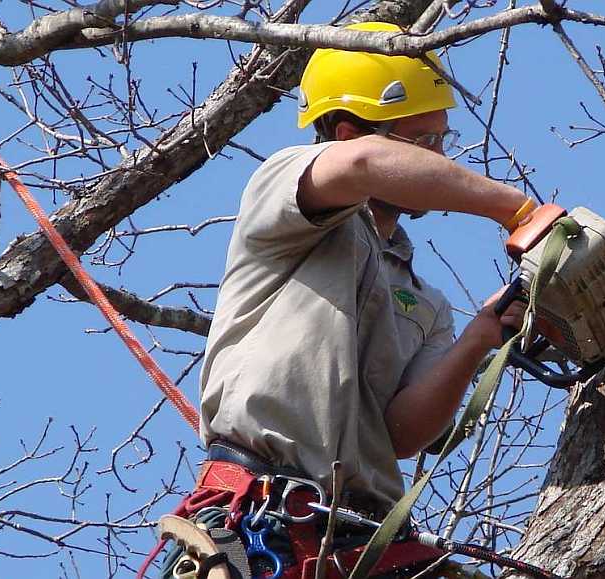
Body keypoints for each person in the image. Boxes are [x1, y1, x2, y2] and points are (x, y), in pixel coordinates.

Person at [197, 22, 534, 518]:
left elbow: (402, 435)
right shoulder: (285, 193)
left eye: (442, 139)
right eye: (421, 141)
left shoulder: (426, 304)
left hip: (362, 533)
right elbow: (360, 166)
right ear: (349, 132)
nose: (439, 157)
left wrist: (478, 338)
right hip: (260, 504)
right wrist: (518, 210)